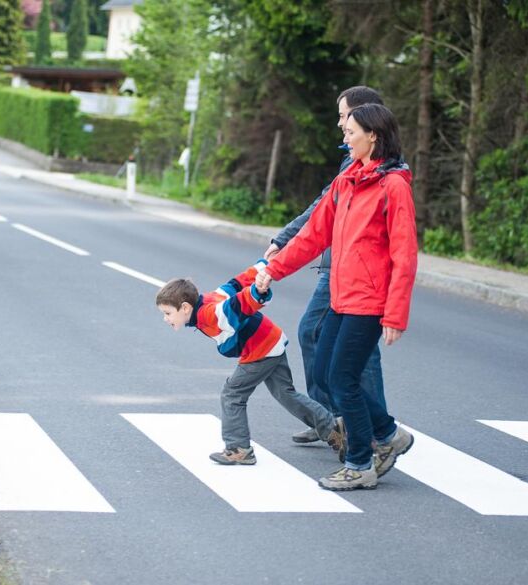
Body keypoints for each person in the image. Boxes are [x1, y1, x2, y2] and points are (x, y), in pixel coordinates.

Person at [257, 104, 418, 491]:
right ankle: (387, 432)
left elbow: (405, 254)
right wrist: (273, 269)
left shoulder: (393, 186)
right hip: (341, 296)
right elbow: (314, 234)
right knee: (331, 374)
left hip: (369, 300)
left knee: (343, 379)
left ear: (373, 136)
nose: (344, 138)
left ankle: (361, 462)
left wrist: (395, 315)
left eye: (351, 133)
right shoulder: (348, 180)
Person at [264, 86, 388, 446]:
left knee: (342, 346)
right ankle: (334, 420)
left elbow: (324, 211)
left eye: (344, 117)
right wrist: (284, 240)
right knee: (328, 340)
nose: (339, 125)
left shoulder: (378, 168)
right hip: (337, 265)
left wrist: (282, 242)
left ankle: (362, 427)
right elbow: (324, 208)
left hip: (351, 270)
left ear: (364, 119)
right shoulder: (352, 158)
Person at [155, 260, 344, 466]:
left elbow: (238, 304)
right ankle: (333, 429)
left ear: (184, 307)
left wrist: (257, 291)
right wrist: (264, 265)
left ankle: (238, 448)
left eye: (167, 313)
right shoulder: (210, 299)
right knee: (286, 394)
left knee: (232, 394)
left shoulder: (209, 314)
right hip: (271, 340)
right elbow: (236, 283)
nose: (165, 319)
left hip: (260, 349)